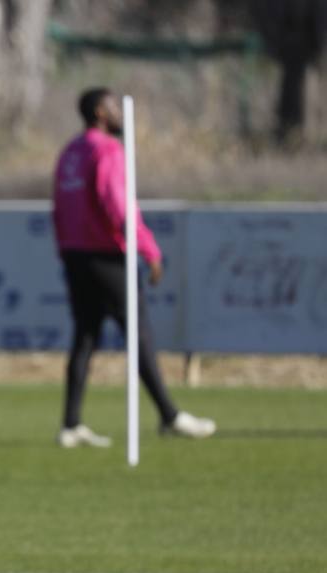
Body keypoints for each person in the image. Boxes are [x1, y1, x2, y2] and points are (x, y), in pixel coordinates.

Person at [52, 87, 215, 448]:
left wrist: (65, 250)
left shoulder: (70, 152)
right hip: (107, 256)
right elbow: (117, 204)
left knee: (85, 336)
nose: (119, 113)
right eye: (112, 105)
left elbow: (59, 208)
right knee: (137, 334)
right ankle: (170, 416)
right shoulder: (107, 149)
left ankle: (70, 424)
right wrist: (148, 249)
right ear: (99, 112)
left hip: (76, 255)